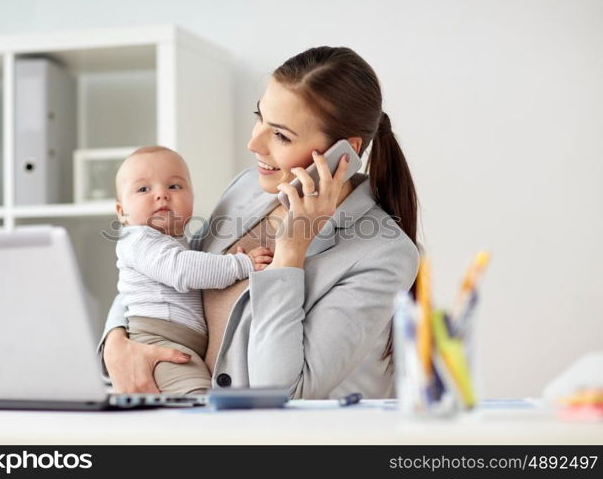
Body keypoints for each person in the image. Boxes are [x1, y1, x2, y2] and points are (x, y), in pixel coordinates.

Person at [100, 46, 420, 399]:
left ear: (343, 153)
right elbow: (161, 262)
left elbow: (285, 392)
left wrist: (290, 252)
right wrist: (116, 340)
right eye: (259, 117)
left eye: (281, 135)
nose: (253, 143)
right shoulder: (247, 188)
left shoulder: (384, 254)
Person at [113, 146, 272, 394]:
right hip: (159, 340)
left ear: (193, 197)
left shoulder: (178, 241)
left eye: (174, 186)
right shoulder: (138, 240)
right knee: (196, 400)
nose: (162, 195)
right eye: (144, 189)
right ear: (122, 212)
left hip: (182, 343)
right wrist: (241, 264)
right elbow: (182, 270)